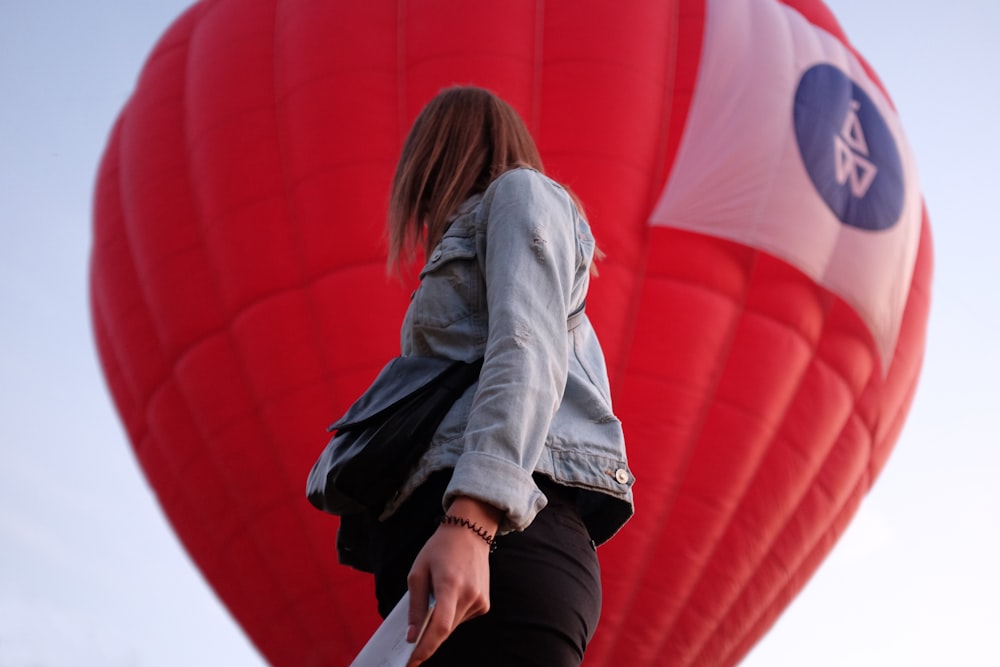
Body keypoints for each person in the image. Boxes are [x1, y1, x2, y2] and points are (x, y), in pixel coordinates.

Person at [356, 86, 634, 667]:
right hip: (450, 562)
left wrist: (472, 520)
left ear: (442, 151)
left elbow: (527, 347)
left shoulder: (518, 193)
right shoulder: (483, 230)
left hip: (492, 548)